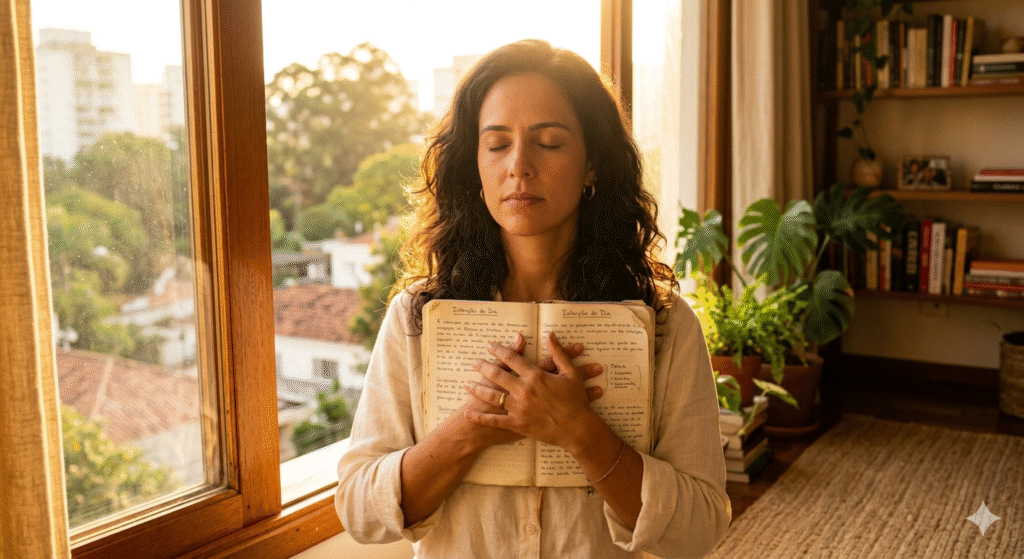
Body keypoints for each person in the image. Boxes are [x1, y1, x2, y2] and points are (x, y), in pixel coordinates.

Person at [336, 39, 730, 558]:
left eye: (549, 142)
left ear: (593, 166)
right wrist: (469, 429)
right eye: (497, 145)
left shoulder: (664, 324)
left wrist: (583, 434)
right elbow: (360, 512)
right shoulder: (417, 317)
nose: (518, 166)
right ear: (474, 168)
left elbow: (700, 528)